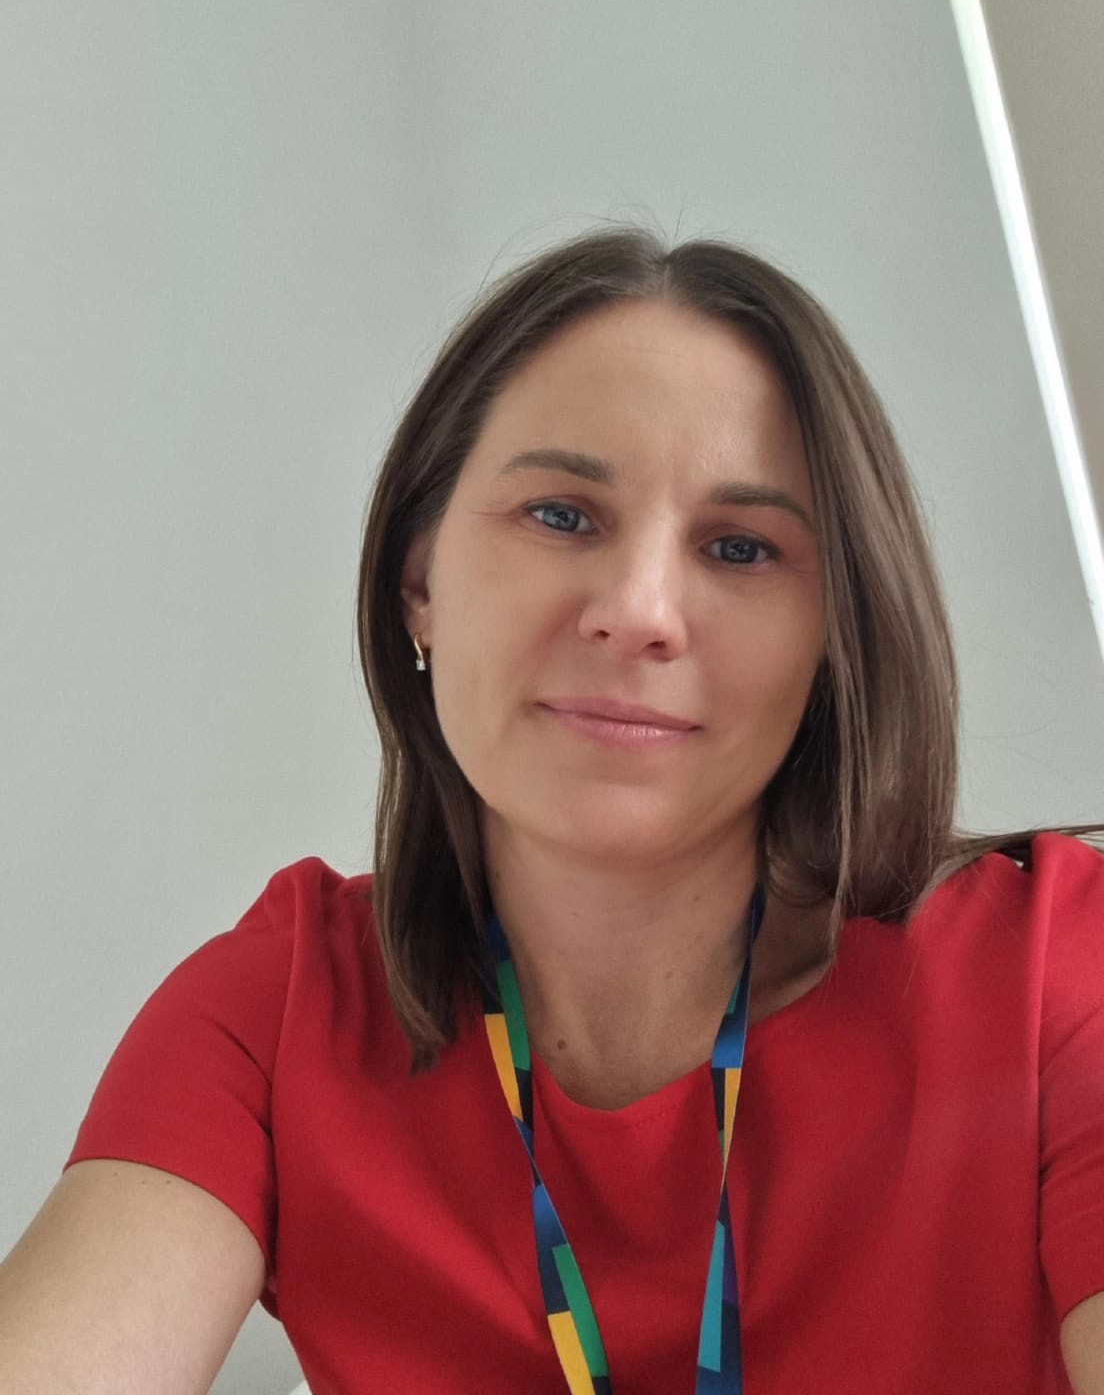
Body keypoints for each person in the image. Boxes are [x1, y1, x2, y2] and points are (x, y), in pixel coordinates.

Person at [2, 225, 1103, 1394]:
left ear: (834, 634)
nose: (638, 611)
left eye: (740, 546)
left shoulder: (1053, 974)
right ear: (419, 580)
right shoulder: (279, 1013)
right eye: (562, 514)